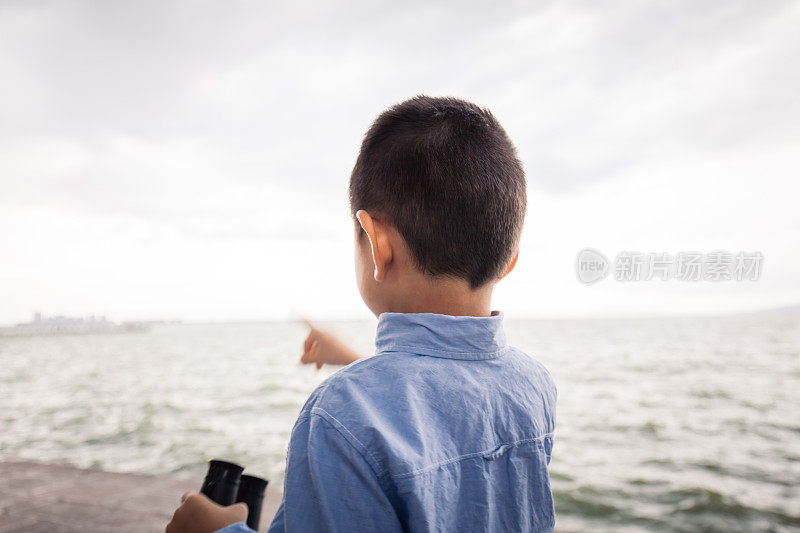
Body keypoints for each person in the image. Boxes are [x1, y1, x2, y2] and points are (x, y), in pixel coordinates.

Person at [167, 95, 557, 532]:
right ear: (508, 260)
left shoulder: (340, 415)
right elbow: (441, 412)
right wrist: (355, 360)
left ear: (377, 244)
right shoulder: (533, 385)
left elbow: (398, 422)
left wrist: (215, 531)